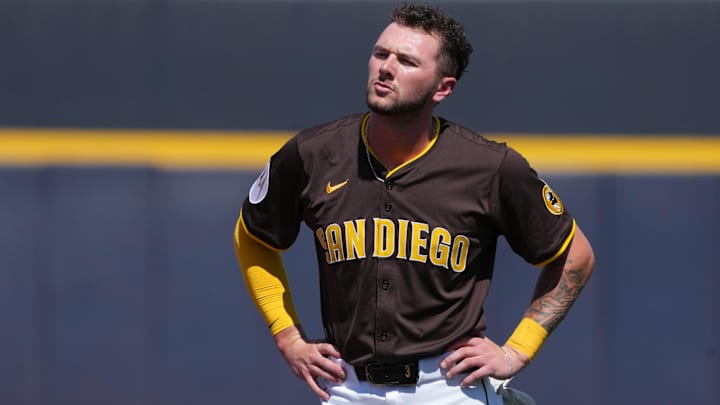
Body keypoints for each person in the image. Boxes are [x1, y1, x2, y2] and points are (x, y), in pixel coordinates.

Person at [234, 3, 595, 404]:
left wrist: (518, 348)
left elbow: (575, 255)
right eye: (380, 53)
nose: (386, 68)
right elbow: (253, 237)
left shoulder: (490, 167)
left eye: (406, 61)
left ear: (443, 87)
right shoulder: (312, 153)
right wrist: (287, 336)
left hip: (448, 387)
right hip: (348, 386)